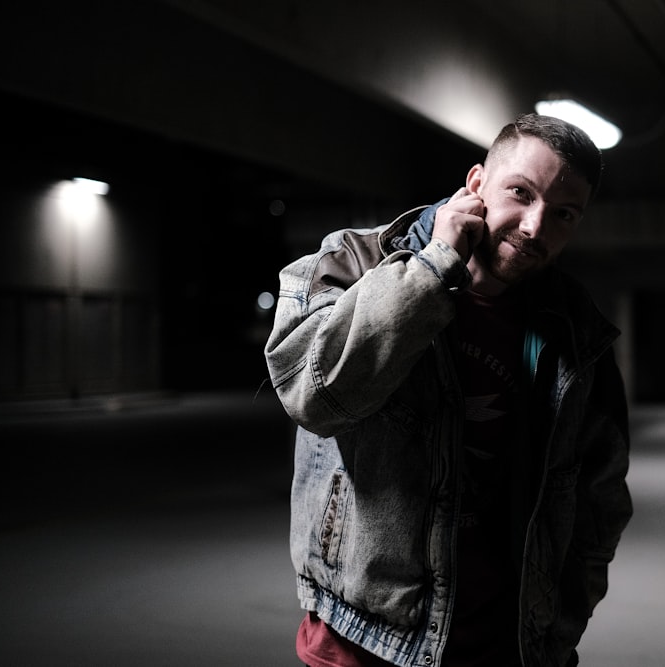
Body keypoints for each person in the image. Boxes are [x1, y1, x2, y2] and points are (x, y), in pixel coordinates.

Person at [264, 113, 632, 667]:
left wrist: (559, 625)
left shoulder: (575, 329)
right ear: (477, 182)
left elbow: (598, 498)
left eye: (562, 214)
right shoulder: (352, 261)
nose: (535, 226)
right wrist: (432, 268)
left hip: (511, 643)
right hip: (365, 640)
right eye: (520, 193)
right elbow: (313, 396)